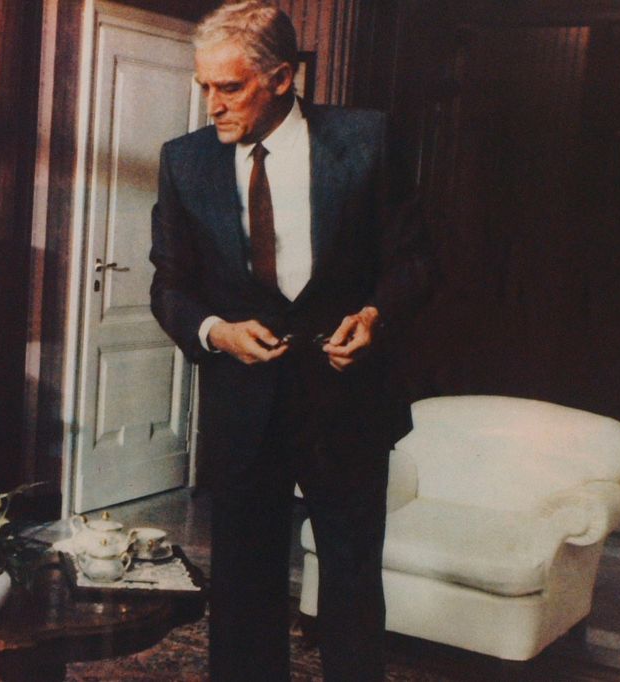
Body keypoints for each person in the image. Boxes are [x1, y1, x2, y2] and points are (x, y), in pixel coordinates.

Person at [149, 3, 434, 680]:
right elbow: (170, 287)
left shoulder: (367, 139)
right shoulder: (185, 162)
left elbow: (416, 261)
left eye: (230, 87)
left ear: (281, 78)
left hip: (347, 401)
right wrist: (216, 331)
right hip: (244, 405)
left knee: (352, 582)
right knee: (242, 586)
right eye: (204, 86)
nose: (212, 105)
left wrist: (375, 315)